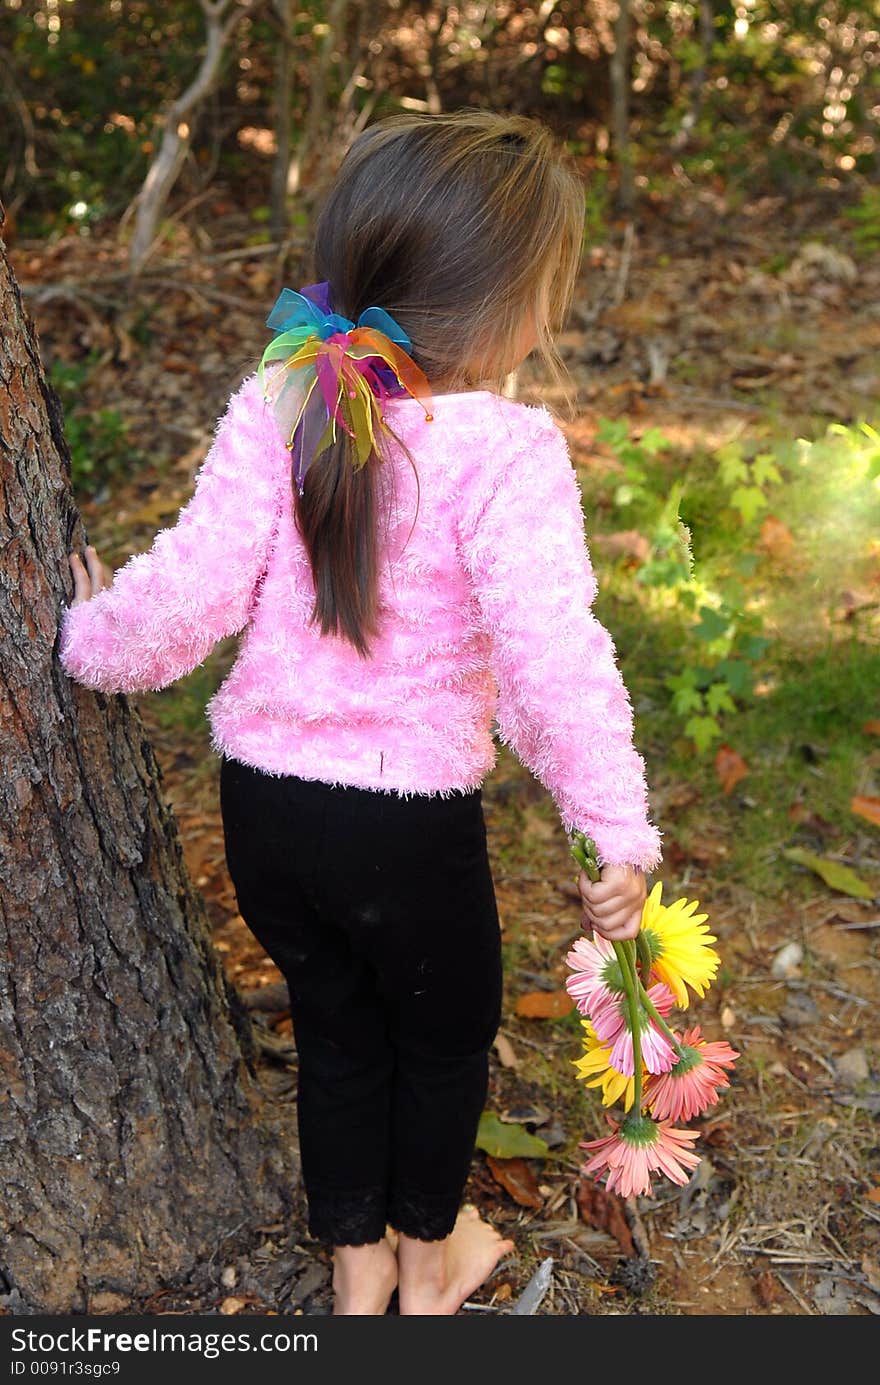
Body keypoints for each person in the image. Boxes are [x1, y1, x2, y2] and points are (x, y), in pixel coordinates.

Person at [59, 109, 662, 1316]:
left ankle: (356, 1268)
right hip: (407, 827)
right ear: (507, 303)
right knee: (440, 1042)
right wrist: (614, 828)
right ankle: (428, 1270)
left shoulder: (285, 396)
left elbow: (192, 585)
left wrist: (89, 637)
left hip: (266, 813)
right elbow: (553, 657)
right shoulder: (506, 450)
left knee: (338, 1030)